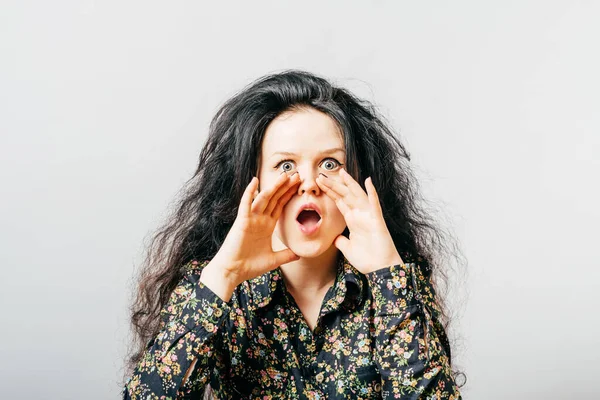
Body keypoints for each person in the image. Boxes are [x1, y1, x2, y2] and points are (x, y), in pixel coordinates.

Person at [121, 70, 465, 399]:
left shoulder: (398, 285)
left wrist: (388, 274)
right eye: (286, 166)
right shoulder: (214, 286)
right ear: (250, 181)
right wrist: (223, 275)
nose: (310, 183)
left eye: (330, 164)